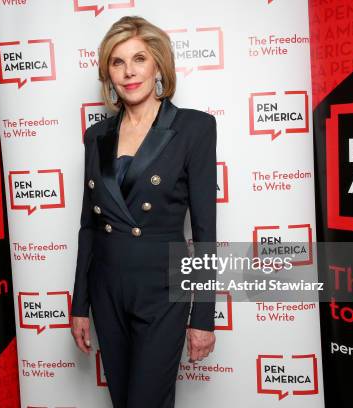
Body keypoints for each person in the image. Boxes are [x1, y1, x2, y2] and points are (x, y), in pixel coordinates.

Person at [70, 16, 217, 408]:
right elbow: (89, 225)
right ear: (108, 72)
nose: (129, 71)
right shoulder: (96, 135)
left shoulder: (194, 128)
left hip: (163, 286)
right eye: (117, 62)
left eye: (139, 59)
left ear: (158, 66)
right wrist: (79, 304)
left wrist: (203, 318)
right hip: (106, 286)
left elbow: (205, 232)